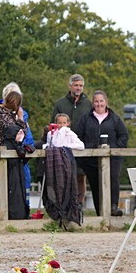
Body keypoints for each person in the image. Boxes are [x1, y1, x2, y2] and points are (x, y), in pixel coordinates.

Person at [73, 90, 129, 216]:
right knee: (95, 184)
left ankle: (113, 207)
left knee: (113, 179)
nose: (99, 104)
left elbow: (124, 136)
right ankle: (100, 212)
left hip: (112, 158)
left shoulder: (115, 118)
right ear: (93, 103)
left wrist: (114, 148)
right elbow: (77, 136)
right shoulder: (85, 119)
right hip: (91, 159)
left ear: (106, 102)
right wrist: (88, 148)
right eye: (96, 101)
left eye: (101, 101)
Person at [52, 73, 92, 210]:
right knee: (64, 176)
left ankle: (79, 204)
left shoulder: (88, 104)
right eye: (76, 85)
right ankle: (65, 204)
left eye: (81, 85)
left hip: (80, 145)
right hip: (63, 146)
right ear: (70, 86)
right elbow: (53, 124)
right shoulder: (60, 103)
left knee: (80, 175)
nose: (78, 88)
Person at [0, 90, 32, 219]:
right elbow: (19, 134)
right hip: (1, 156)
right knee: (3, 186)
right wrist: (20, 118)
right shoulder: (4, 117)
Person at [44, 114, 85, 229]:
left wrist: (66, 147)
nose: (61, 125)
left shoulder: (69, 133)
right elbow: (52, 144)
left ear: (68, 123)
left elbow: (81, 145)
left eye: (64, 123)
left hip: (67, 163)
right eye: (59, 123)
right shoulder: (51, 134)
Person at [0, 82, 35, 198]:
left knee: (21, 193)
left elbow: (28, 140)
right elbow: (11, 134)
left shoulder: (23, 116)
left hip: (20, 162)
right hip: (3, 161)